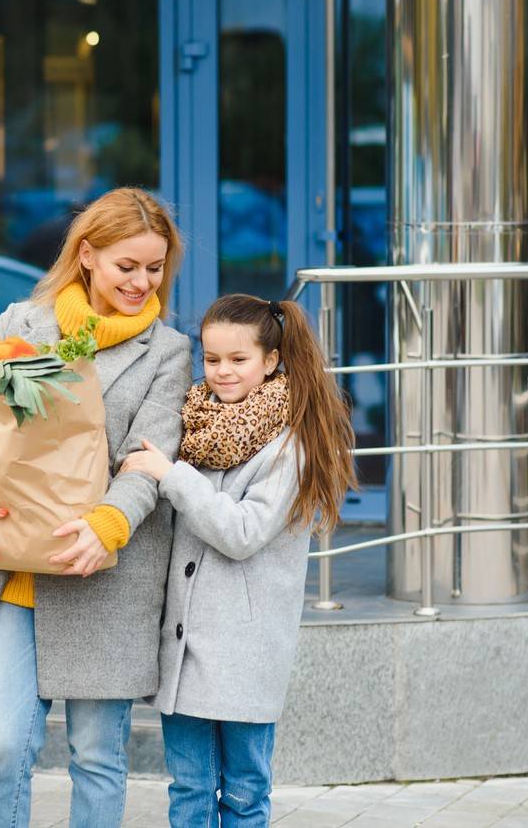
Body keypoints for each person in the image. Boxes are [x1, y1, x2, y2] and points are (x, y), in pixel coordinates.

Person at [0, 187, 193, 827]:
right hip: (9, 570)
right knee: (1, 743)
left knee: (98, 757)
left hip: (100, 574)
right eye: (128, 266)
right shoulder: (20, 322)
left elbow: (150, 457)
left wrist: (110, 522)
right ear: (88, 255)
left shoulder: (168, 353)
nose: (142, 282)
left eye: (155, 269)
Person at [121, 293, 357, 827]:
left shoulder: (289, 444)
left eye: (237, 360)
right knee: (188, 791)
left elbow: (243, 532)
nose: (221, 372)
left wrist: (171, 476)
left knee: (246, 794)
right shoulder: (197, 427)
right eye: (211, 360)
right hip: (185, 651)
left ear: (271, 360)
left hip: (245, 651)